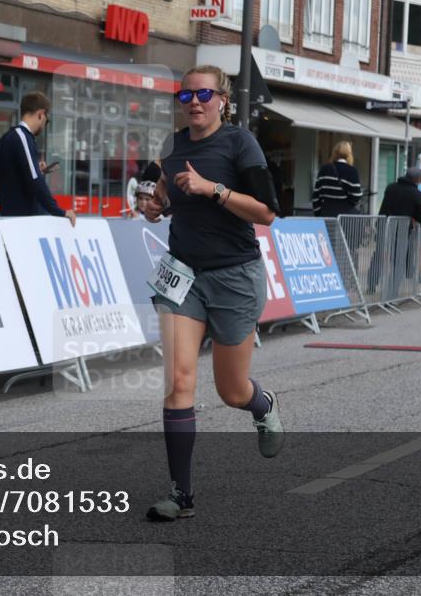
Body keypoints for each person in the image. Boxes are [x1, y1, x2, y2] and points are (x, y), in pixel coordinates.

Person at [141, 65, 282, 522]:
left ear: (223, 99)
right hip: (183, 275)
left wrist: (213, 189)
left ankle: (262, 403)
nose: (194, 102)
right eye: (186, 96)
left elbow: (266, 212)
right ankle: (181, 495)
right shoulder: (172, 145)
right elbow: (161, 194)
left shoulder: (240, 143)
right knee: (180, 382)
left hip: (235, 277)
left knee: (231, 390)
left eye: (204, 94)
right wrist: (155, 205)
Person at [0, 91, 76, 226]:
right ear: (41, 114)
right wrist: (59, 211)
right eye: (46, 121)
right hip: (26, 221)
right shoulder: (23, 138)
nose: (44, 125)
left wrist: (33, 170)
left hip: (8, 220)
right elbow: (35, 181)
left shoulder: (5, 138)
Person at [367, 167, 421, 298]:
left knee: (379, 255)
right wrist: (416, 219)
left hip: (384, 225)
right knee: (398, 260)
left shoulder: (390, 188)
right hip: (402, 231)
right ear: (417, 180)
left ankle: (371, 284)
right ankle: (392, 291)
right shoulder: (416, 194)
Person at [312, 140, 362, 217]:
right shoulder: (352, 171)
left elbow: (316, 196)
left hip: (326, 215)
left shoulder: (324, 169)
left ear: (334, 153)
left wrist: (319, 214)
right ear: (349, 155)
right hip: (345, 218)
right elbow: (356, 197)